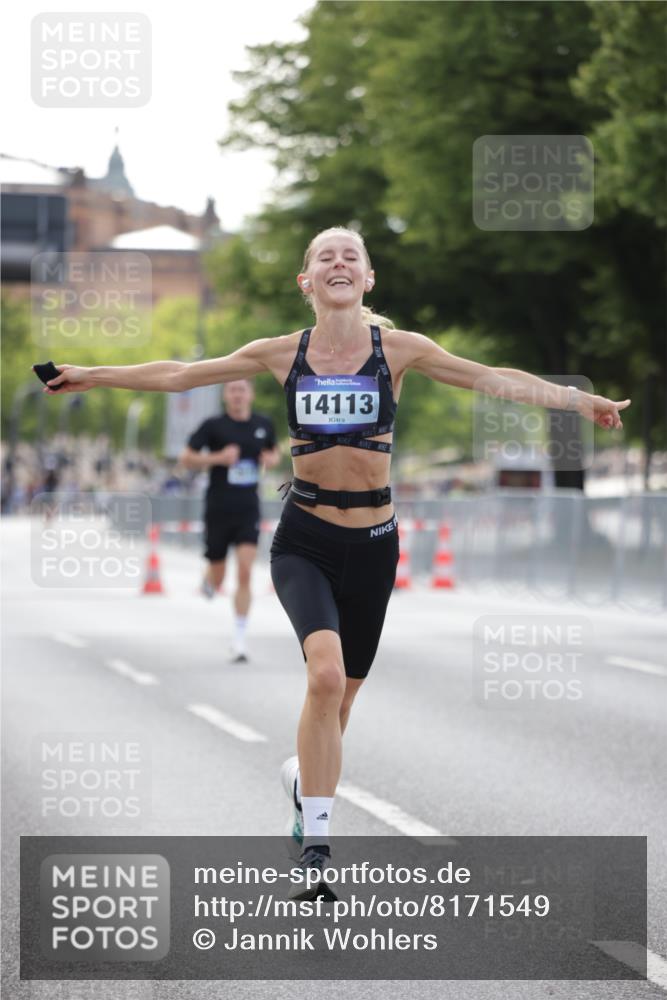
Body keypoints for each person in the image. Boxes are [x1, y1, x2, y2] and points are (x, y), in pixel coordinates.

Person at [38, 225, 630, 900]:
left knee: (339, 703)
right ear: (307, 281)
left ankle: (302, 785)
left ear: (367, 279)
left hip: (374, 546)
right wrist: (93, 374)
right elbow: (179, 373)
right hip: (305, 539)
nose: (339, 262)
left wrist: (577, 399)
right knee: (323, 677)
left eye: (351, 255)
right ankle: (317, 847)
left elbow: (492, 379)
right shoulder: (279, 354)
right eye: (326, 256)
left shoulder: (400, 351)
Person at [179, 379, 280, 662]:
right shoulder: (213, 426)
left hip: (248, 508)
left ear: (251, 394)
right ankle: (209, 580)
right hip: (218, 507)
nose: (237, 395)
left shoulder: (263, 424)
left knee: (246, 572)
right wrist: (218, 458)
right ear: (226, 396)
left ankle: (239, 640)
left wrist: (271, 459)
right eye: (232, 390)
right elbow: (187, 458)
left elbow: (273, 452)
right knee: (219, 574)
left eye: (242, 390)